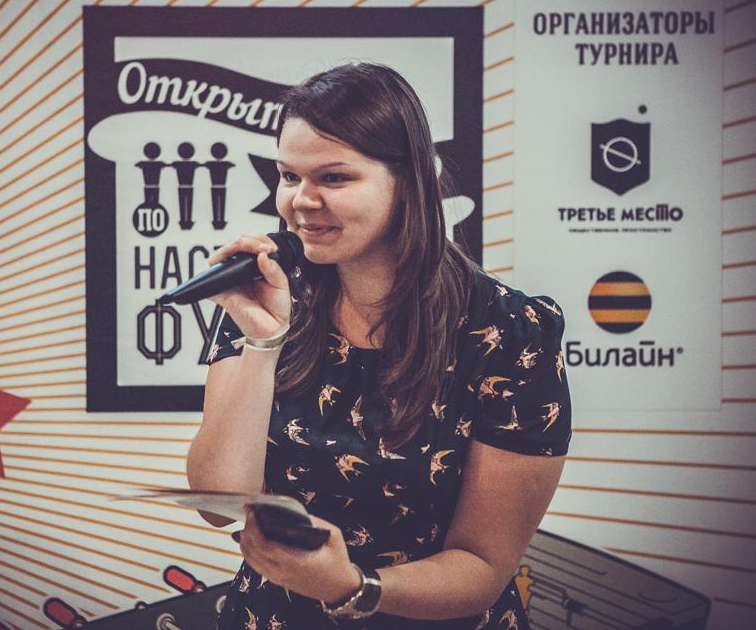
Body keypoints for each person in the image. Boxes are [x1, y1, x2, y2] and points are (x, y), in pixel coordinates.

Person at [186, 63, 571, 629]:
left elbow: (483, 567)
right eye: (288, 176)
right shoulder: (272, 295)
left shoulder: (510, 330)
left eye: (334, 178)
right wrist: (263, 343)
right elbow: (220, 505)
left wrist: (352, 586)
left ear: (407, 181)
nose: (301, 200)